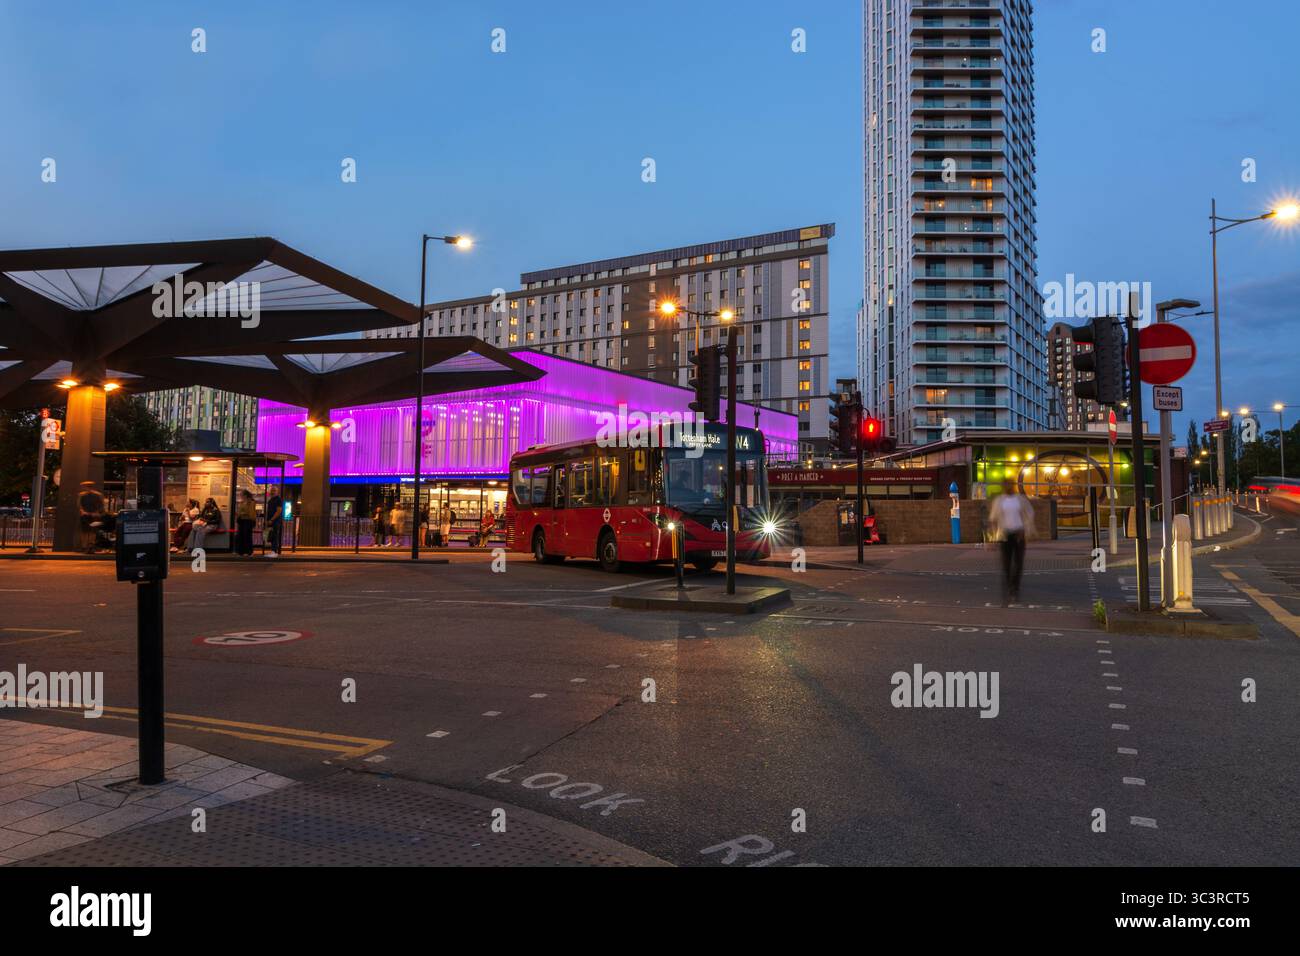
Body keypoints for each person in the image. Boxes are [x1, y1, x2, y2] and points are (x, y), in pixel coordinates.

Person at [989, 491, 1035, 605]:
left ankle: (1015, 588)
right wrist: (992, 539)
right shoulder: (999, 500)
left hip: (1019, 534)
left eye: (1010, 483)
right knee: (1006, 565)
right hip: (1005, 534)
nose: (1008, 486)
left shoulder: (1020, 499)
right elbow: (993, 519)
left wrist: (1025, 529)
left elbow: (1030, 514)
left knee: (1018, 564)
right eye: (1006, 484)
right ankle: (1008, 590)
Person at [77, 481, 105, 553]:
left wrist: (96, 512)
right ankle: (86, 546)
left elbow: (101, 505)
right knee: (86, 531)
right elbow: (79, 506)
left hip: (92, 515)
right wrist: (83, 512)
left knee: (91, 531)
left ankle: (89, 546)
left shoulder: (97, 495)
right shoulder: (82, 495)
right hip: (88, 515)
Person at [235, 490, 256, 556]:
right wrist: (240, 514)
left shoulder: (251, 502)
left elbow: (249, 512)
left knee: (247, 536)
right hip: (242, 521)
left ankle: (249, 551)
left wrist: (242, 513)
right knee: (241, 535)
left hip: (248, 521)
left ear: (245, 495)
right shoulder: (242, 502)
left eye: (241, 494)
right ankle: (241, 551)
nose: (240, 496)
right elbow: (239, 511)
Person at [265, 490, 284, 557]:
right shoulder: (271, 500)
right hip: (271, 521)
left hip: (275, 521)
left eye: (274, 490)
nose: (272, 492)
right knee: (272, 536)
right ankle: (273, 551)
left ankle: (274, 552)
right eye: (271, 490)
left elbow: (279, 511)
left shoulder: (278, 500)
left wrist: (272, 519)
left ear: (277, 492)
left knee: (275, 536)